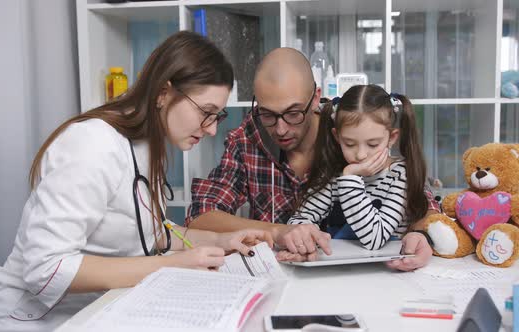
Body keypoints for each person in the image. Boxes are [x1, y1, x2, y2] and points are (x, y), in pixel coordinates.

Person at [0, 31, 271, 332]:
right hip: (25, 319)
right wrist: (169, 265)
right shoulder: (92, 144)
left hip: (97, 311)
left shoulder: (147, 148)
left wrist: (221, 242)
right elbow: (45, 268)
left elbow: (153, 234)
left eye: (217, 117)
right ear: (163, 93)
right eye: (206, 113)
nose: (211, 130)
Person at [187, 48, 439, 269]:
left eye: (293, 113)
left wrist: (422, 235)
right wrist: (281, 231)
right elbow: (201, 215)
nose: (281, 128)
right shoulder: (246, 138)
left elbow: (421, 199)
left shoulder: (349, 128)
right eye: (267, 114)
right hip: (284, 271)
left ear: (316, 97)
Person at [286, 85, 428, 252]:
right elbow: (299, 220)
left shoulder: (400, 175)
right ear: (337, 137)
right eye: (350, 144)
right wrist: (303, 234)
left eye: (373, 144)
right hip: (338, 271)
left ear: (392, 138)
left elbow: (375, 239)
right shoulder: (335, 175)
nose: (361, 155)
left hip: (385, 272)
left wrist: (349, 178)